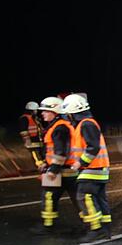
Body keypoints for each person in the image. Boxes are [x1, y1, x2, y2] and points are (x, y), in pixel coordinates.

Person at [62, 93, 112, 244]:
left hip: (93, 169)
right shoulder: (86, 124)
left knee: (84, 197)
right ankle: (105, 228)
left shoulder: (86, 124)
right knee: (98, 198)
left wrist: (80, 163)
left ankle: (95, 229)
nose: (67, 117)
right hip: (98, 169)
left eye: (68, 114)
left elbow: (93, 147)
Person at [30, 97, 77, 235]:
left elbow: (61, 151)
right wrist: (46, 162)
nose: (42, 113)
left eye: (45, 111)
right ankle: (90, 226)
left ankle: (47, 226)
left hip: (60, 170)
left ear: (54, 112)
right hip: (63, 169)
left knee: (48, 196)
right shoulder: (57, 126)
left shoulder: (60, 127)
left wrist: (52, 169)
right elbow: (53, 150)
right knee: (75, 198)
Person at [19, 101, 44, 169]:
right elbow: (23, 131)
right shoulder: (24, 118)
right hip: (32, 142)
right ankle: (40, 167)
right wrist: (27, 141)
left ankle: (43, 166)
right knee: (36, 155)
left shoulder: (35, 118)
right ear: (32, 110)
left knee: (41, 155)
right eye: (35, 110)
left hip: (39, 141)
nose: (36, 111)